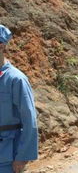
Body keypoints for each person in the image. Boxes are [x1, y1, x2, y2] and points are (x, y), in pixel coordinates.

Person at [0, 25, 38, 173]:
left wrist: (22, 156)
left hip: (7, 155)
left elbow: (30, 120)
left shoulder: (16, 79)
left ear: (2, 46)